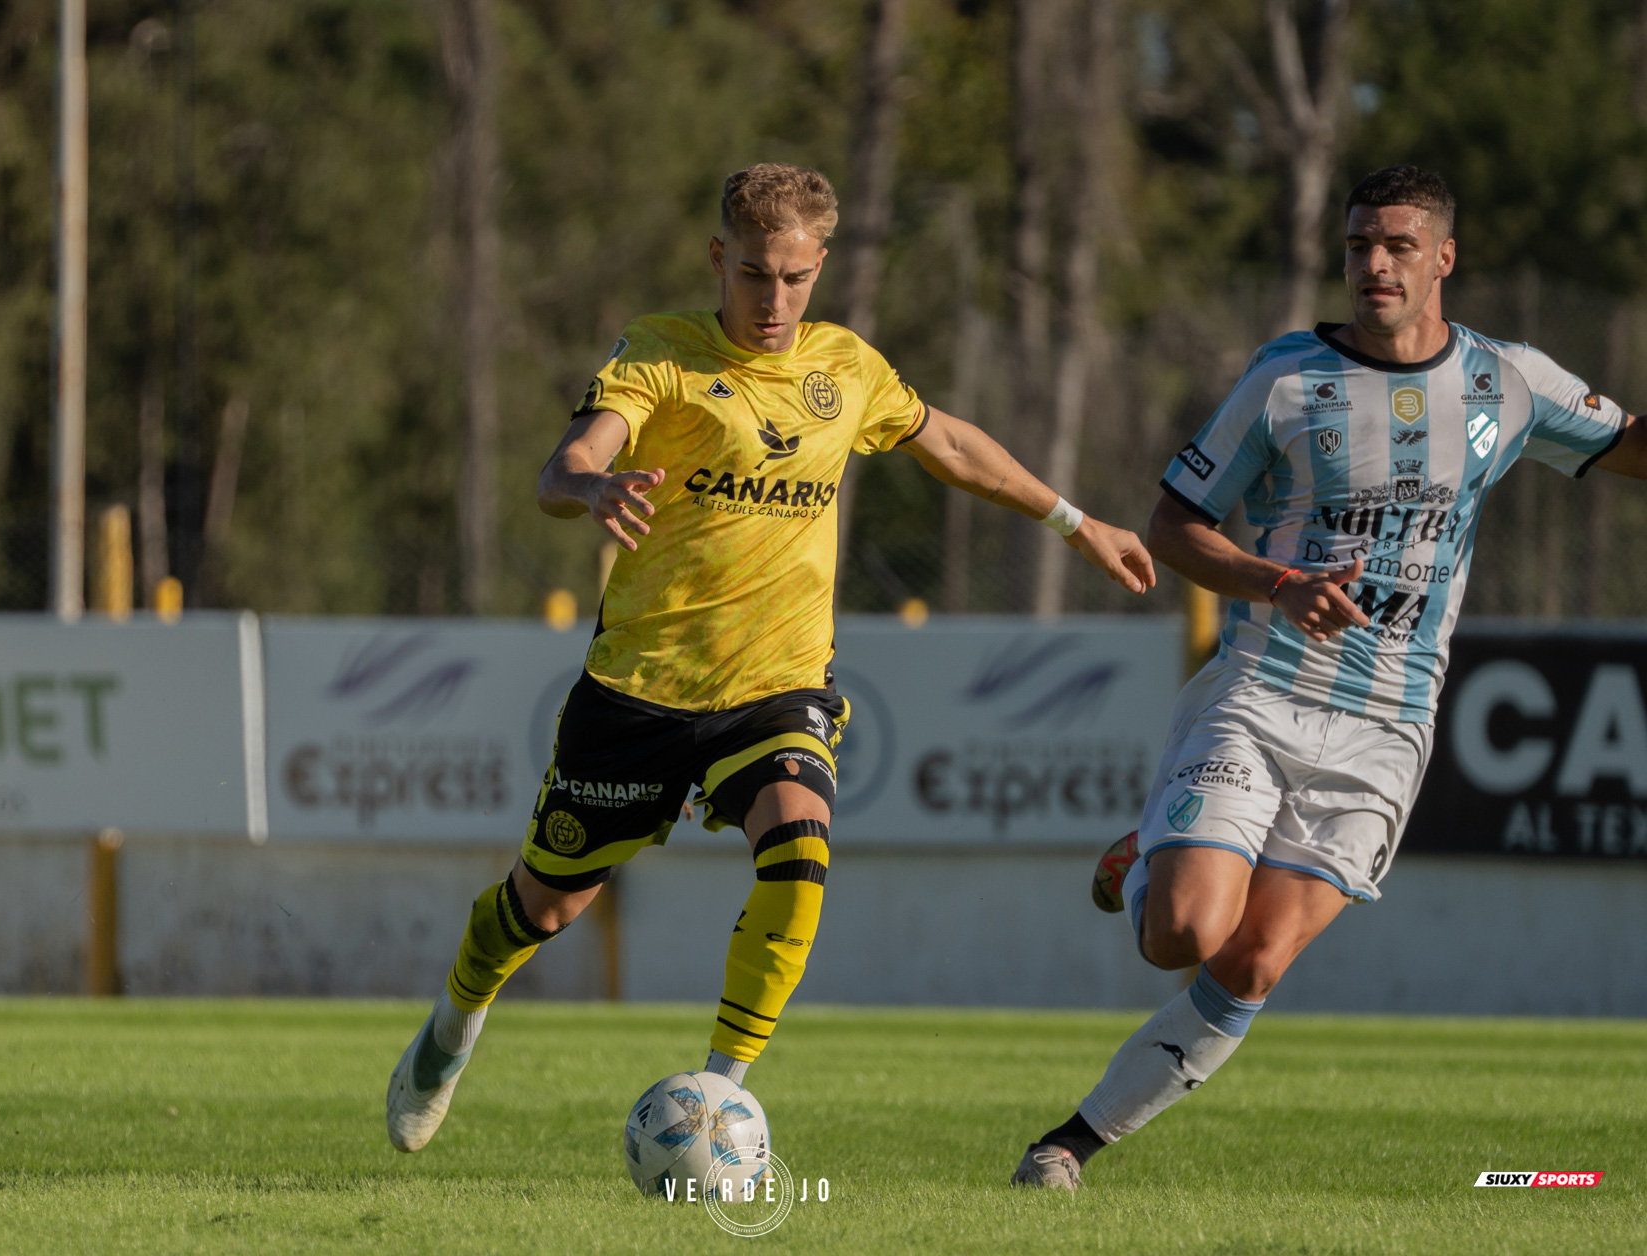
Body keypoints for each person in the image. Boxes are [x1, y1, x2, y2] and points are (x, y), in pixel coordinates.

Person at [388, 162, 1156, 1152]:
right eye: (754, 274)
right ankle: (453, 1024)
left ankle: (718, 1098)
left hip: (777, 686)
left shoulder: (848, 369)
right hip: (640, 690)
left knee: (800, 857)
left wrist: (1075, 519)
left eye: (795, 277)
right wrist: (591, 488)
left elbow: (953, 445)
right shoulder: (661, 353)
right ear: (720, 258)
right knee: (544, 903)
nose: (774, 298)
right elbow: (566, 460)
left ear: (821, 265)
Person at [1013, 164, 1647, 1190]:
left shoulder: (1508, 379)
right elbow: (1176, 523)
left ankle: (1067, 1145)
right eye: (1359, 246)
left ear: (1444, 258)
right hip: (1264, 691)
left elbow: (1632, 449)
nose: (1374, 265)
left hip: (1387, 729)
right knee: (1180, 932)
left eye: (1398, 246)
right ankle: (1144, 861)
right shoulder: (1286, 377)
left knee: (1252, 960)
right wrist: (1275, 581)